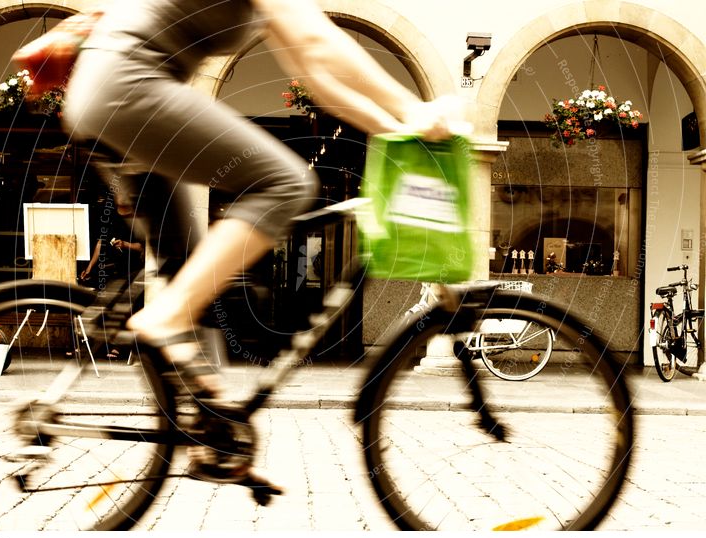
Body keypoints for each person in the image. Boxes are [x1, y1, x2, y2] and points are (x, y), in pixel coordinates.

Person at [62, 0, 457, 491]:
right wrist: (414, 109)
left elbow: (319, 77)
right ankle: (163, 318)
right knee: (287, 184)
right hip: (128, 88)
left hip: (112, 92)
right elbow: (322, 43)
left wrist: (397, 130)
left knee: (195, 279)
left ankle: (215, 440)